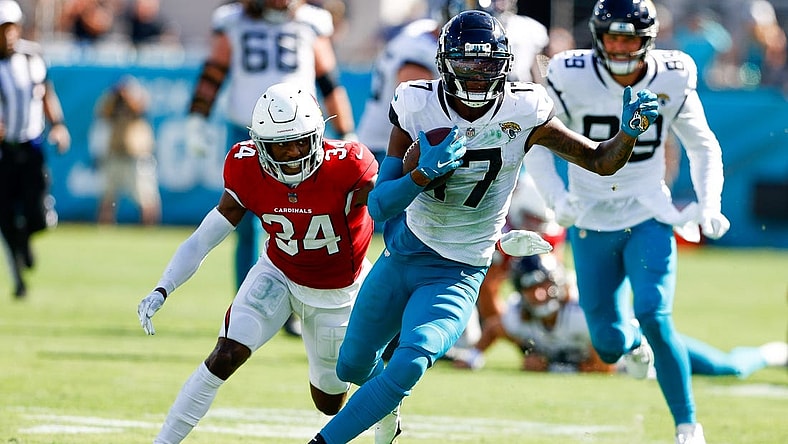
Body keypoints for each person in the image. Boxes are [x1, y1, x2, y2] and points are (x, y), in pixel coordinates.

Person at [308, 9, 659, 444]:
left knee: (410, 360)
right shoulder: (415, 102)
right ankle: (385, 405)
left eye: (489, 64)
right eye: (467, 64)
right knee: (352, 367)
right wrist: (420, 175)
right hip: (403, 254)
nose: (477, 75)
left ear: (506, 66)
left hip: (459, 269)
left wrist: (628, 134)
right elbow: (379, 206)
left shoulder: (524, 108)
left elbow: (599, 160)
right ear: (445, 62)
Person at [523, 1, 729, 442]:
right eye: (612, 37)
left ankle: (688, 425)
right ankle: (634, 348)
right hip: (591, 218)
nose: (619, 47)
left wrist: (709, 203)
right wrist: (558, 199)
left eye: (629, 38)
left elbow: (703, 146)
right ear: (597, 37)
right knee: (609, 343)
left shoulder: (671, 75)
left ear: (648, 40)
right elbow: (537, 143)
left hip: (647, 212)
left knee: (654, 313)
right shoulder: (570, 73)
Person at [136, 82, 378, 443]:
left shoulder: (350, 166)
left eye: (299, 141)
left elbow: (395, 201)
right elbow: (206, 235)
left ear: (318, 135)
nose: (292, 153)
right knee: (225, 353)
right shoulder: (246, 166)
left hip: (337, 292)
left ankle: (388, 421)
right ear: (261, 145)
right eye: (280, 145)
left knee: (329, 402)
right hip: (279, 273)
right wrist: (163, 286)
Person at [186, 0, 358, 293]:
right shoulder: (234, 21)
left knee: (307, 218)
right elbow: (213, 73)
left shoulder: (308, 21)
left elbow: (329, 81)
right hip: (249, 131)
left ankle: (300, 298)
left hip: (302, 135)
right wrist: (196, 119)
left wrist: (347, 131)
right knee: (243, 220)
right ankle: (249, 298)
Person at [454, 254, 788, 377]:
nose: (539, 295)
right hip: (625, 368)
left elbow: (605, 364)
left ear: (558, 283)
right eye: (531, 290)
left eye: (544, 286)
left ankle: (773, 353)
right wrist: (474, 356)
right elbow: (496, 327)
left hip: (642, 349)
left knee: (724, 368)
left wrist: (552, 366)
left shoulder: (581, 313)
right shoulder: (520, 317)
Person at [0, 0, 71, 298]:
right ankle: (19, 279)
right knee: (5, 216)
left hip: (31, 145)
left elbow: (46, 94)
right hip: (3, 150)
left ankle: (26, 239)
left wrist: (58, 124)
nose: (7, 35)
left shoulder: (32, 55)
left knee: (37, 216)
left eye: (10, 28)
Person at [96, 75, 161, 226]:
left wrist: (128, 96)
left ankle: (149, 229)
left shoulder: (138, 102)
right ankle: (104, 228)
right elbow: (103, 113)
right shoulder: (113, 105)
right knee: (107, 196)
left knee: (145, 197)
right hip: (115, 155)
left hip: (136, 156)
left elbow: (140, 109)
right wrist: (115, 97)